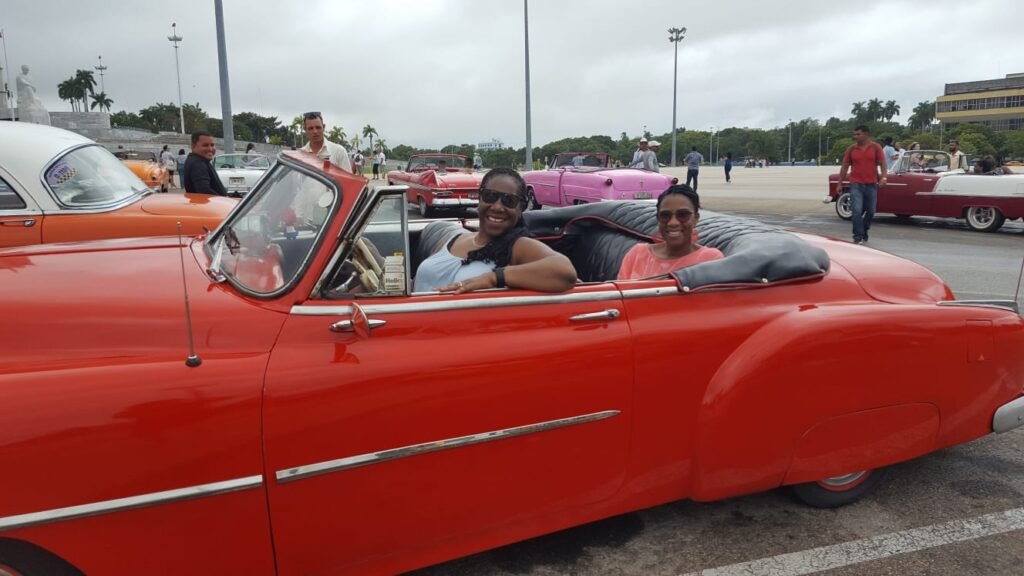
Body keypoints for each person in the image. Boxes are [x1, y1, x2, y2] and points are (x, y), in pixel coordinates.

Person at [414, 167, 577, 293]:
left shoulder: (519, 246)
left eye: (509, 200)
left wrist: (493, 278)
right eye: (490, 196)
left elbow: (565, 272)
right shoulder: (453, 238)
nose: (498, 207)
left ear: (521, 207)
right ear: (479, 198)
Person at [617, 184, 724, 280]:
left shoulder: (711, 260)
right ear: (658, 219)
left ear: (696, 218)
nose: (673, 223)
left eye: (682, 215)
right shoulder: (637, 254)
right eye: (665, 216)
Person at [837, 125, 887, 244]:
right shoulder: (851, 149)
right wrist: (839, 183)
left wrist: (884, 177)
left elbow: (882, 163)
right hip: (856, 184)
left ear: (866, 134)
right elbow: (844, 167)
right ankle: (857, 236)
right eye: (854, 134)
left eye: (858, 134)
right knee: (856, 210)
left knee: (870, 211)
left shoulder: (876, 147)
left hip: (871, 184)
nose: (855, 137)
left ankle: (864, 230)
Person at [182, 131, 228, 196]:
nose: (210, 149)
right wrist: (224, 201)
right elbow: (204, 190)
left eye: (212, 145)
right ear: (193, 146)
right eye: (205, 145)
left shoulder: (198, 161)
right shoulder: (197, 163)